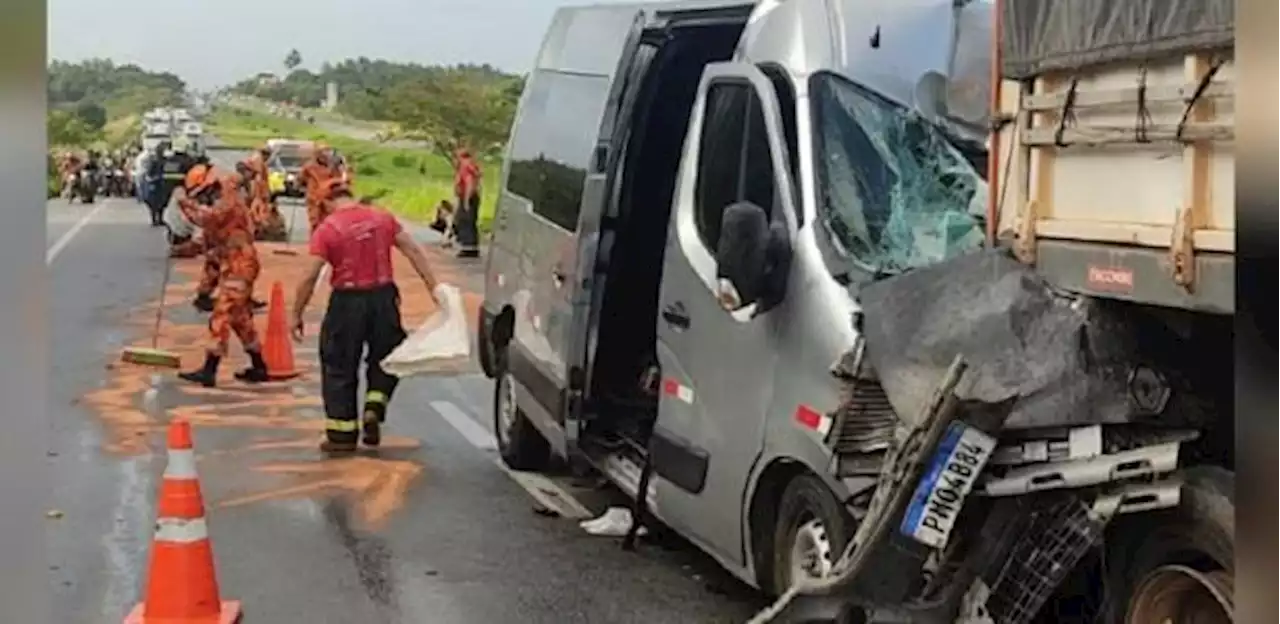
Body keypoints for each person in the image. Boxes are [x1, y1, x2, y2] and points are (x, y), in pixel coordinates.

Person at [290, 178, 442, 453]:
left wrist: (296, 314)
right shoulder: (382, 218)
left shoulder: (329, 229)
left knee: (339, 364)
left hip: (347, 303)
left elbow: (309, 276)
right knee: (387, 355)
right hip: (383, 297)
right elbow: (412, 250)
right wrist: (434, 288)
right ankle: (375, 403)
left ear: (326, 202)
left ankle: (341, 436)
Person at [177, 167, 270, 387]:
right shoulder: (218, 208)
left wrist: (184, 203)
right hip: (232, 265)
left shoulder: (228, 203)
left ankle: (209, 370)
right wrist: (203, 291)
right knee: (239, 319)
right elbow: (211, 257)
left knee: (221, 315)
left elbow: (206, 218)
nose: (202, 199)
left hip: (241, 265)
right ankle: (259, 366)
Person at [298, 143, 336, 235]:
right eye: (323, 152)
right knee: (315, 222)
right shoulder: (309, 166)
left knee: (327, 221)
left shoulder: (332, 167)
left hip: (327, 198)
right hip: (314, 198)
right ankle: (314, 242)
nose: (326, 155)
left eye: (327, 152)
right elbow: (301, 179)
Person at [452, 148, 482, 258]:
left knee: (464, 221)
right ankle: (473, 247)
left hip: (468, 197)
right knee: (471, 222)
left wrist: (466, 201)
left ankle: (467, 248)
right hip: (474, 197)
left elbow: (469, 183)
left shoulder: (465, 168)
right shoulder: (473, 166)